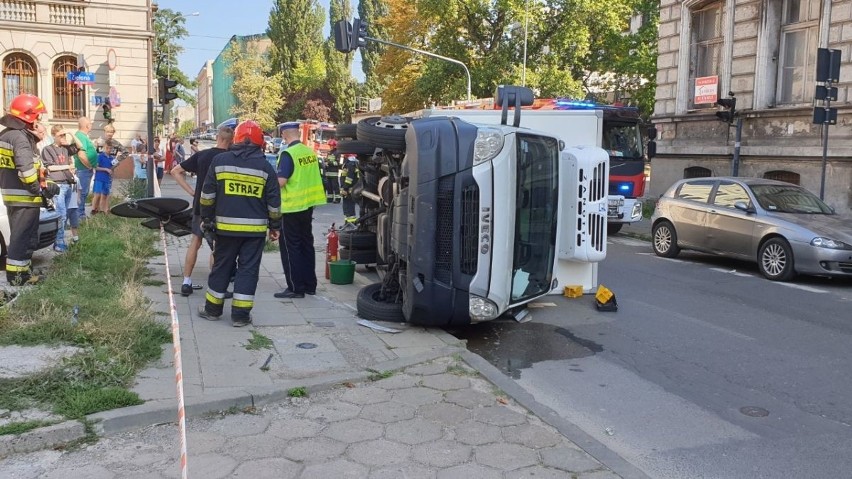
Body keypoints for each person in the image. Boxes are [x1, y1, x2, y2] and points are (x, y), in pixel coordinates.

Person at [197, 120, 281, 327]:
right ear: (260, 142)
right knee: (248, 270)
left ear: (236, 138)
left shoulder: (220, 160)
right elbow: (274, 204)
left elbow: (207, 196)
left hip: (225, 229)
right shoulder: (265, 168)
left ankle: (212, 310)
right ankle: (240, 316)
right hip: (254, 232)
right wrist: (275, 227)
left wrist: (206, 219)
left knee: (221, 266)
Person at [0, 94, 58, 285]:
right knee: (22, 239)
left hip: (12, 196)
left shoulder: (6, 135)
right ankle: (18, 278)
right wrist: (42, 189)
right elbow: (27, 173)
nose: (39, 121)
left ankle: (23, 273)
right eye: (38, 117)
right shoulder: (21, 139)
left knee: (20, 237)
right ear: (28, 116)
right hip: (25, 197)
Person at [171, 126, 234, 296]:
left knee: (195, 242)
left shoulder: (202, 155)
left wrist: (192, 191)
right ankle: (215, 287)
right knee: (217, 246)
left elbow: (175, 171)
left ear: (218, 138)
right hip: (221, 208)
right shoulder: (229, 158)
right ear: (231, 140)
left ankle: (186, 282)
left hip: (201, 206)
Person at [274, 122, 327, 299]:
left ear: (284, 135)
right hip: (308, 206)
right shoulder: (309, 152)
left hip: (291, 207)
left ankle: (296, 288)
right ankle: (310, 285)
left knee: (291, 248)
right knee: (306, 244)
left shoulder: (288, 153)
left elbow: (281, 181)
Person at [41, 125, 82, 251]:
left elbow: (80, 147)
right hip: (57, 184)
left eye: (63, 135)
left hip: (68, 184)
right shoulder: (48, 149)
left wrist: (70, 132)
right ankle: (59, 242)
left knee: (65, 214)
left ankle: (59, 240)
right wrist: (67, 167)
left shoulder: (66, 148)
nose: (63, 137)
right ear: (54, 135)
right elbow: (50, 167)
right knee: (61, 214)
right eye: (60, 135)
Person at [72, 117, 97, 220]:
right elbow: (81, 155)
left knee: (83, 193)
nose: (91, 126)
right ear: (87, 125)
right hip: (83, 170)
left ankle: (80, 214)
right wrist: (89, 166)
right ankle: (79, 216)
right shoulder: (81, 136)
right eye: (90, 124)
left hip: (84, 170)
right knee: (81, 193)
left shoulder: (82, 136)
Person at [91, 142, 115, 215]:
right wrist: (105, 169)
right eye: (107, 148)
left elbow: (112, 168)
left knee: (105, 195)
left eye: (110, 148)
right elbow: (96, 167)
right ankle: (94, 209)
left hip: (107, 178)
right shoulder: (100, 156)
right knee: (97, 194)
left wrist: (112, 171)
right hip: (99, 178)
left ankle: (103, 210)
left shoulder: (111, 158)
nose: (109, 150)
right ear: (104, 148)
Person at [340, 153, 360, 225]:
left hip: (349, 189)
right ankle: (348, 222)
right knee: (348, 205)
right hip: (352, 188)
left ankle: (350, 223)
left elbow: (349, 178)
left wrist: (345, 188)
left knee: (348, 205)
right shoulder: (355, 162)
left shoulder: (350, 163)